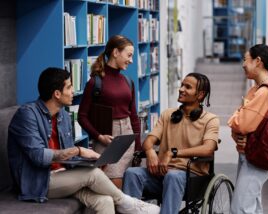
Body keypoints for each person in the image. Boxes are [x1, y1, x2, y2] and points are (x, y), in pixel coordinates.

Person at [7, 67, 160, 214]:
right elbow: (38, 156)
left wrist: (90, 161)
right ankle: (126, 202)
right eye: (69, 87)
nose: (73, 91)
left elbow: (68, 156)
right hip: (38, 182)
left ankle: (124, 203)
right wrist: (79, 150)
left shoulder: (63, 116)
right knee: (91, 175)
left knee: (105, 200)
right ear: (57, 94)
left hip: (65, 176)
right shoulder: (27, 115)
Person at [123, 73, 220, 214]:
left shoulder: (211, 120)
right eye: (181, 85)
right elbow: (149, 141)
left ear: (200, 95)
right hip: (162, 175)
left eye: (188, 87)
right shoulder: (168, 114)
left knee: (173, 176)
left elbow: (208, 149)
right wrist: (150, 152)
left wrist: (172, 153)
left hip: (191, 179)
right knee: (132, 173)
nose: (181, 89)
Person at [228, 44, 268, 214]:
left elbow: (241, 124)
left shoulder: (264, 92)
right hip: (253, 154)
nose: (243, 64)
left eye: (246, 59)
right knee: (252, 206)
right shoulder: (258, 88)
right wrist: (238, 120)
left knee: (240, 208)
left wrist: (235, 120)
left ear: (258, 61)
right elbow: (241, 121)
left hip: (256, 157)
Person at [78, 35, 140, 189]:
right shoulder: (95, 82)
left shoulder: (128, 81)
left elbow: (133, 116)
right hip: (107, 140)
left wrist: (138, 147)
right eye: (129, 55)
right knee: (114, 187)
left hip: (128, 136)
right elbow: (82, 116)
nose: (131, 60)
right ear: (115, 52)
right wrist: (99, 136)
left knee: (129, 185)